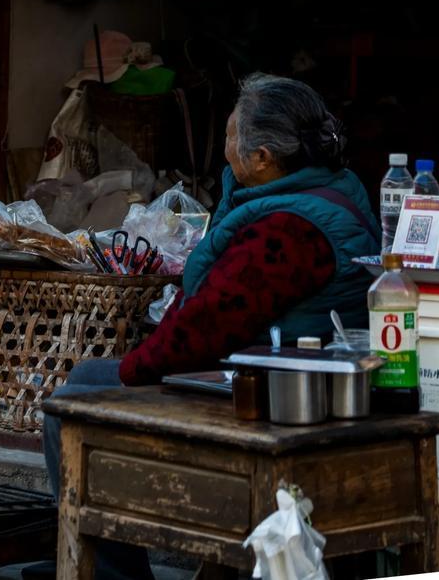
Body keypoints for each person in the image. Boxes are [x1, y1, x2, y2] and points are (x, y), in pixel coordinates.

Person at [28, 74, 379, 579]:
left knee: (78, 396)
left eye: (233, 137)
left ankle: (106, 571)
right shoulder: (326, 189)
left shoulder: (289, 229)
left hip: (269, 390)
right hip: (266, 371)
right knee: (92, 378)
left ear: (262, 158)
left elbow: (208, 326)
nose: (226, 148)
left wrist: (135, 369)